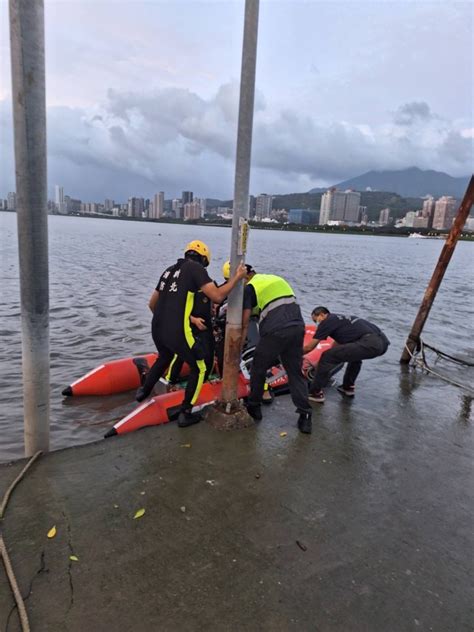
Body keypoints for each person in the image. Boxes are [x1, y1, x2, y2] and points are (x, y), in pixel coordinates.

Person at [136, 241, 247, 428]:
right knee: (200, 367)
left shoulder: (169, 271)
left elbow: (152, 304)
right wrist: (236, 278)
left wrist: (165, 321)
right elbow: (218, 296)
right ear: (203, 259)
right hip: (178, 330)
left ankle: (143, 391)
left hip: (157, 327)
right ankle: (185, 413)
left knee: (165, 356)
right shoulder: (196, 269)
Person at [242, 269, 313, 434]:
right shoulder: (276, 279)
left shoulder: (249, 287)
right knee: (295, 372)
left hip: (275, 331)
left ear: (245, 278)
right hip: (297, 327)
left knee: (258, 368)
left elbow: (246, 319)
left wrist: (239, 341)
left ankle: (254, 408)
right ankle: (306, 416)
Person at [303, 307, 390, 403]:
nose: (317, 324)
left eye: (316, 320)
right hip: (383, 342)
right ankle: (348, 387)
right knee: (354, 356)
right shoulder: (341, 319)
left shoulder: (326, 322)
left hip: (368, 342)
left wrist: (293, 355)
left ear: (322, 315)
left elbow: (309, 348)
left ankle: (315, 392)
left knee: (326, 357)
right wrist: (323, 362)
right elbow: (337, 344)